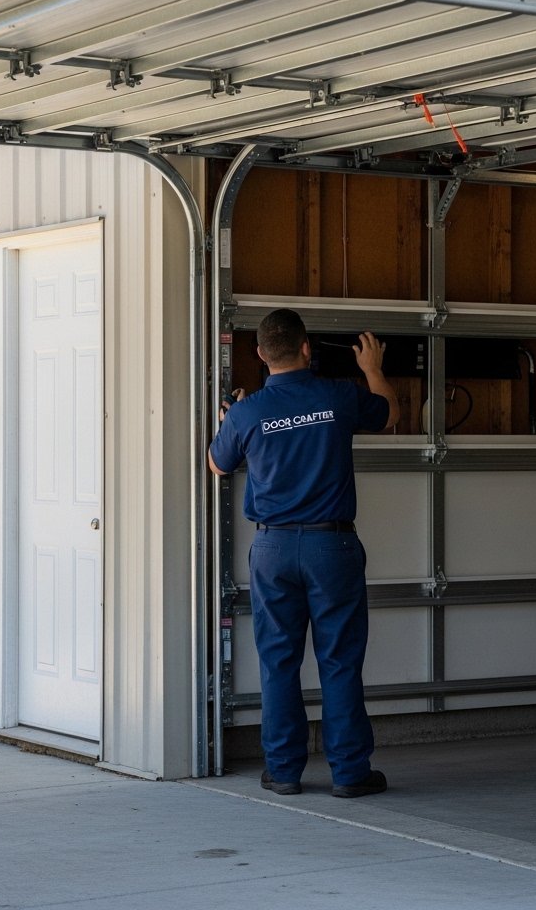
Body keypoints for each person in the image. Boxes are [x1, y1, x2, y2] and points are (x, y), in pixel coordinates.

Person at [208, 308, 399, 798]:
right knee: (339, 660)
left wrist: (234, 420)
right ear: (307, 347)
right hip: (330, 544)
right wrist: (373, 367)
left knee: (279, 661)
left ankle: (284, 771)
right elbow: (388, 413)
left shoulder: (249, 412)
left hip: (272, 547)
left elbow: (216, 464)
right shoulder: (337, 395)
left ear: (259, 354)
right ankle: (350, 773)